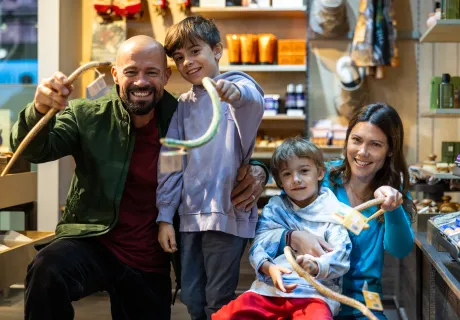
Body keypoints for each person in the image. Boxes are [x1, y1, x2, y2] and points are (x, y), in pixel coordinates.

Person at [10, 35, 268, 320]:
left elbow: (221, 148)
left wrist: (257, 167)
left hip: (149, 258)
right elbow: (35, 149)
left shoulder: (180, 114)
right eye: (131, 72)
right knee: (47, 268)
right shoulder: (87, 114)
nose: (141, 82)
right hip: (92, 240)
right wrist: (39, 110)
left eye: (152, 72)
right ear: (115, 75)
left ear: (167, 76)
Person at [156, 16, 265, 320]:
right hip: (188, 217)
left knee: (218, 298)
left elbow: (253, 101)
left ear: (217, 49)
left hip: (225, 211)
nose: (187, 62)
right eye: (179, 57)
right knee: (191, 295)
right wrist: (165, 216)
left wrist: (234, 93)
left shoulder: (238, 86)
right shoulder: (184, 105)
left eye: (194, 51)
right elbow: (170, 160)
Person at [286, 103, 415, 320]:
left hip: (361, 304)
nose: (362, 152)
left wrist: (392, 208)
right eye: (356, 140)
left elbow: (400, 249)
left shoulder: (393, 195)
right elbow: (274, 221)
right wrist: (292, 236)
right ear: (347, 140)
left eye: (375, 144)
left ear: (390, 150)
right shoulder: (321, 179)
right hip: (311, 296)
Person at [212, 137, 352, 320]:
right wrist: (268, 267)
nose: (296, 179)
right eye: (287, 174)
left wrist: (317, 265)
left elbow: (342, 254)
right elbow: (258, 243)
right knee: (226, 316)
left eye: (304, 171)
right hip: (269, 290)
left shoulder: (335, 211)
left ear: (320, 173)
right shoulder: (275, 207)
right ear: (279, 181)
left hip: (314, 295)